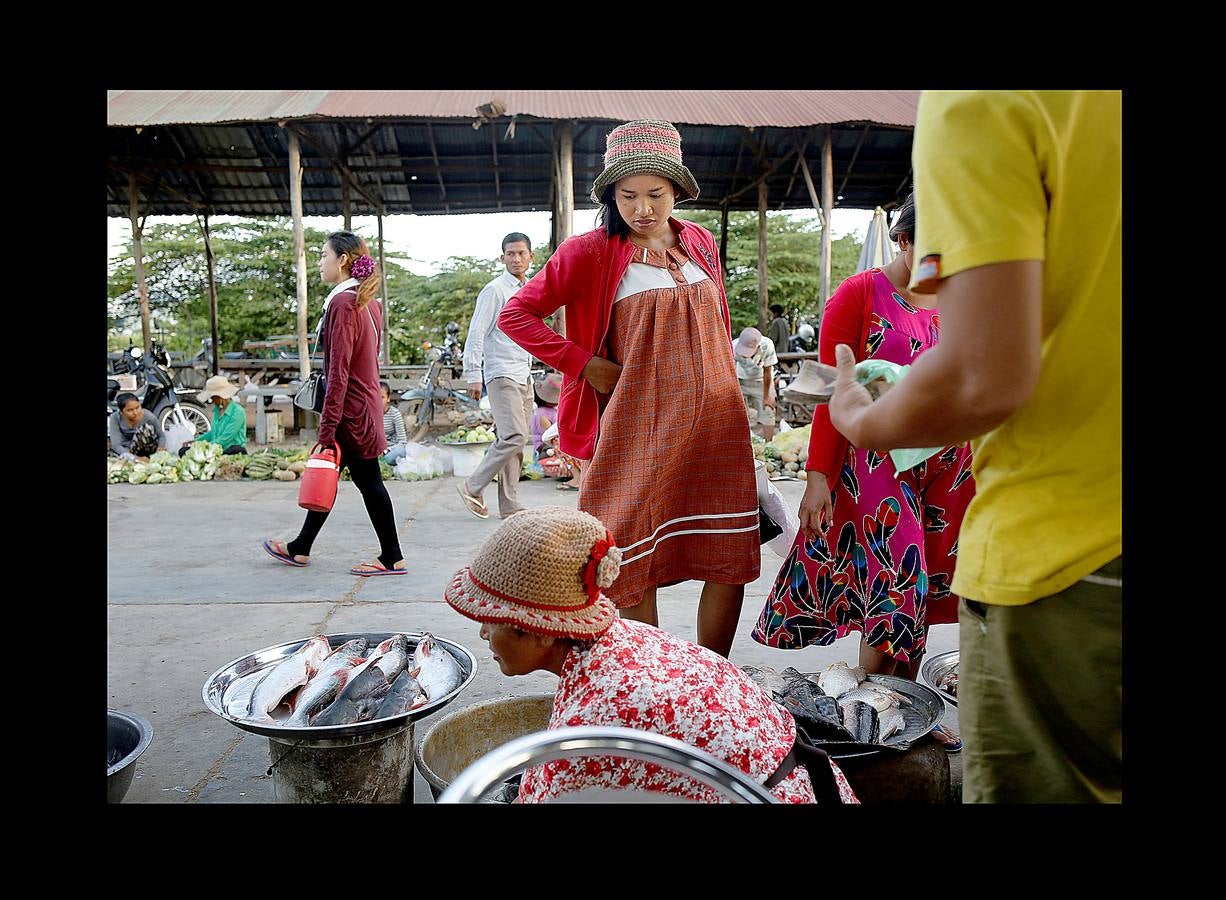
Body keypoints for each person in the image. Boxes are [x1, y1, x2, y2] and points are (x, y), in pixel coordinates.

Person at [827, 91, 1121, 803]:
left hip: (1067, 553)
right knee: (891, 595)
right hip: (902, 482)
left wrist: (860, 419)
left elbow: (982, 373)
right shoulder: (863, 291)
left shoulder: (986, 102)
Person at [499, 119, 760, 658]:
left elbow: (716, 325)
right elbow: (517, 314)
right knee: (629, 558)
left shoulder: (700, 242)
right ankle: (656, 675)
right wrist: (583, 363)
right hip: (637, 428)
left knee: (728, 552)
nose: (642, 209)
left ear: (678, 191)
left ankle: (713, 674)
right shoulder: (589, 252)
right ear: (611, 197)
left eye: (655, 195)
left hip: (717, 427)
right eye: (628, 196)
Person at [750, 194, 974, 755]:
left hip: (947, 466)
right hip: (877, 464)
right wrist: (818, 477)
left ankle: (909, 708)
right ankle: (872, 714)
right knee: (897, 585)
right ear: (904, 240)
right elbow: (830, 389)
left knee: (923, 592)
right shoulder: (861, 293)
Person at [443, 506, 859, 804]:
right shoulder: (624, 636)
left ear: (538, 632)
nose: (482, 632)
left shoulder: (593, 721)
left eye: (491, 620)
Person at [262, 231, 406, 577]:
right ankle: (301, 547)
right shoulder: (369, 302)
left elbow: (338, 370)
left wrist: (327, 426)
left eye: (324, 255)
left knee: (368, 480)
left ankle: (392, 557)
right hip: (363, 404)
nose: (320, 262)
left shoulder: (344, 303)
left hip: (350, 410)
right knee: (344, 475)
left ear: (342, 260)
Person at [456, 233, 536, 520]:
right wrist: (473, 374)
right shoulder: (495, 290)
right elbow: (476, 333)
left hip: (523, 372)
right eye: (510, 254)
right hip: (500, 372)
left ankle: (509, 504)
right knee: (515, 435)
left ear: (531, 257)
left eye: (521, 253)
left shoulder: (530, 288)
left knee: (515, 441)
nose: (516, 259)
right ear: (502, 257)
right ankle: (473, 485)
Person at [734, 326, 779, 441]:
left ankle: (769, 444)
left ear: (758, 346)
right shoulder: (733, 346)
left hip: (762, 381)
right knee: (737, 413)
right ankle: (741, 443)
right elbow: (729, 370)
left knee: (768, 411)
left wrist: (767, 396)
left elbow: (767, 372)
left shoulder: (767, 345)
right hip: (740, 380)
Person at [184, 374, 247, 455]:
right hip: (217, 448)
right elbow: (213, 433)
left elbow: (225, 439)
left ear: (220, 397)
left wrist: (204, 447)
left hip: (232, 450)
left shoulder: (238, 412)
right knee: (184, 451)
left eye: (213, 397)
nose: (212, 400)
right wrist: (195, 442)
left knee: (234, 449)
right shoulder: (217, 410)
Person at [109, 393, 166, 461]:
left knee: (146, 429)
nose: (135, 412)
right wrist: (133, 457)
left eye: (137, 407)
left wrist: (160, 448)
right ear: (121, 412)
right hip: (127, 450)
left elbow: (161, 436)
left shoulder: (149, 416)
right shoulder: (115, 418)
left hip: (145, 449)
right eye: (130, 410)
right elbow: (116, 445)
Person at [380, 381, 408, 467]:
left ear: (388, 398)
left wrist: (386, 451)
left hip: (391, 450)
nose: (379, 401)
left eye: (382, 397)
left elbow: (403, 442)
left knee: (399, 452)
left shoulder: (395, 414)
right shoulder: (370, 414)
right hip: (375, 451)